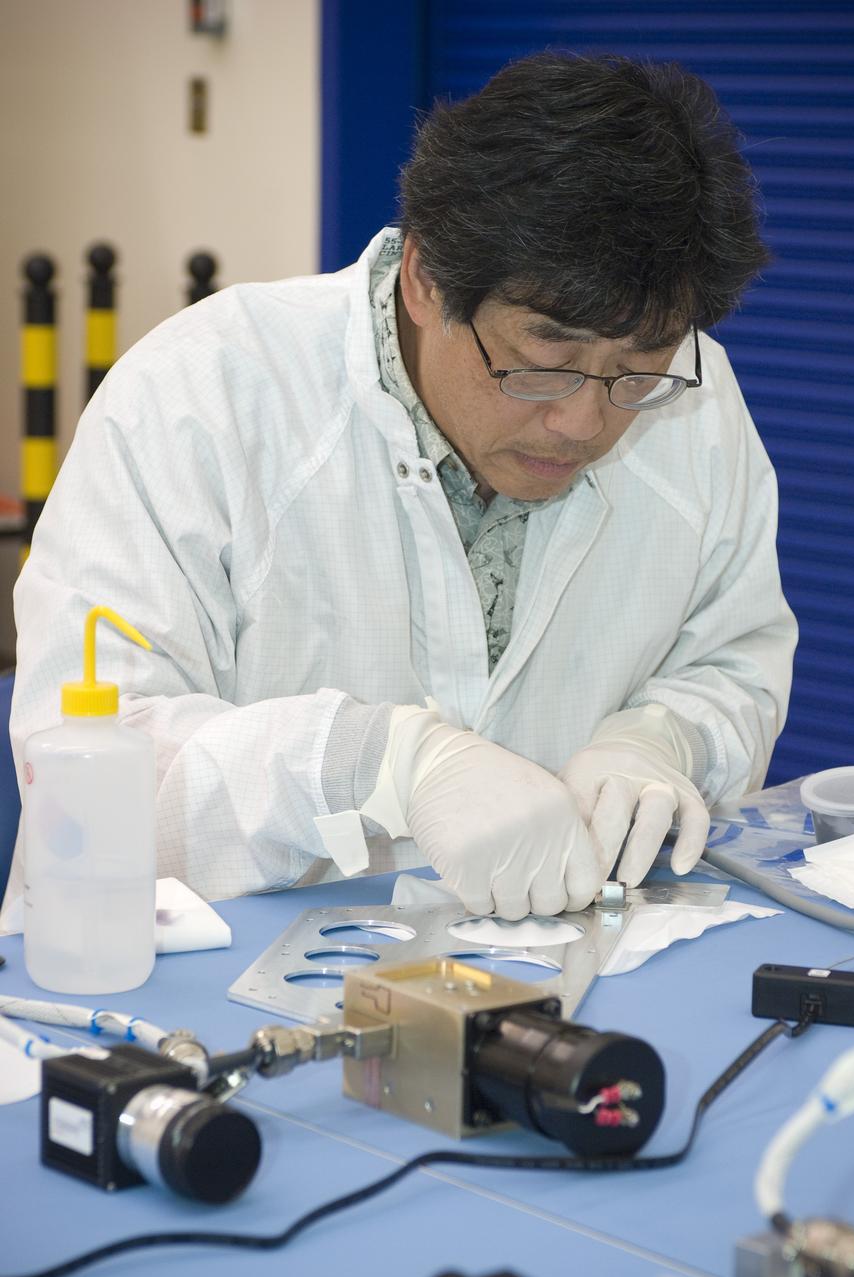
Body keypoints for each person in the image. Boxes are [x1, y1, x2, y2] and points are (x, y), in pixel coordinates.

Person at [1, 52, 796, 931]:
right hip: (188, 987)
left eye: (635, 372)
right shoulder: (202, 397)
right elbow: (85, 777)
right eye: (544, 362)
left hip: (554, 978)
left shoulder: (697, 399)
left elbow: (734, 656)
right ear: (424, 279)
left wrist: (662, 739)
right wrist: (367, 764)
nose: (583, 423)